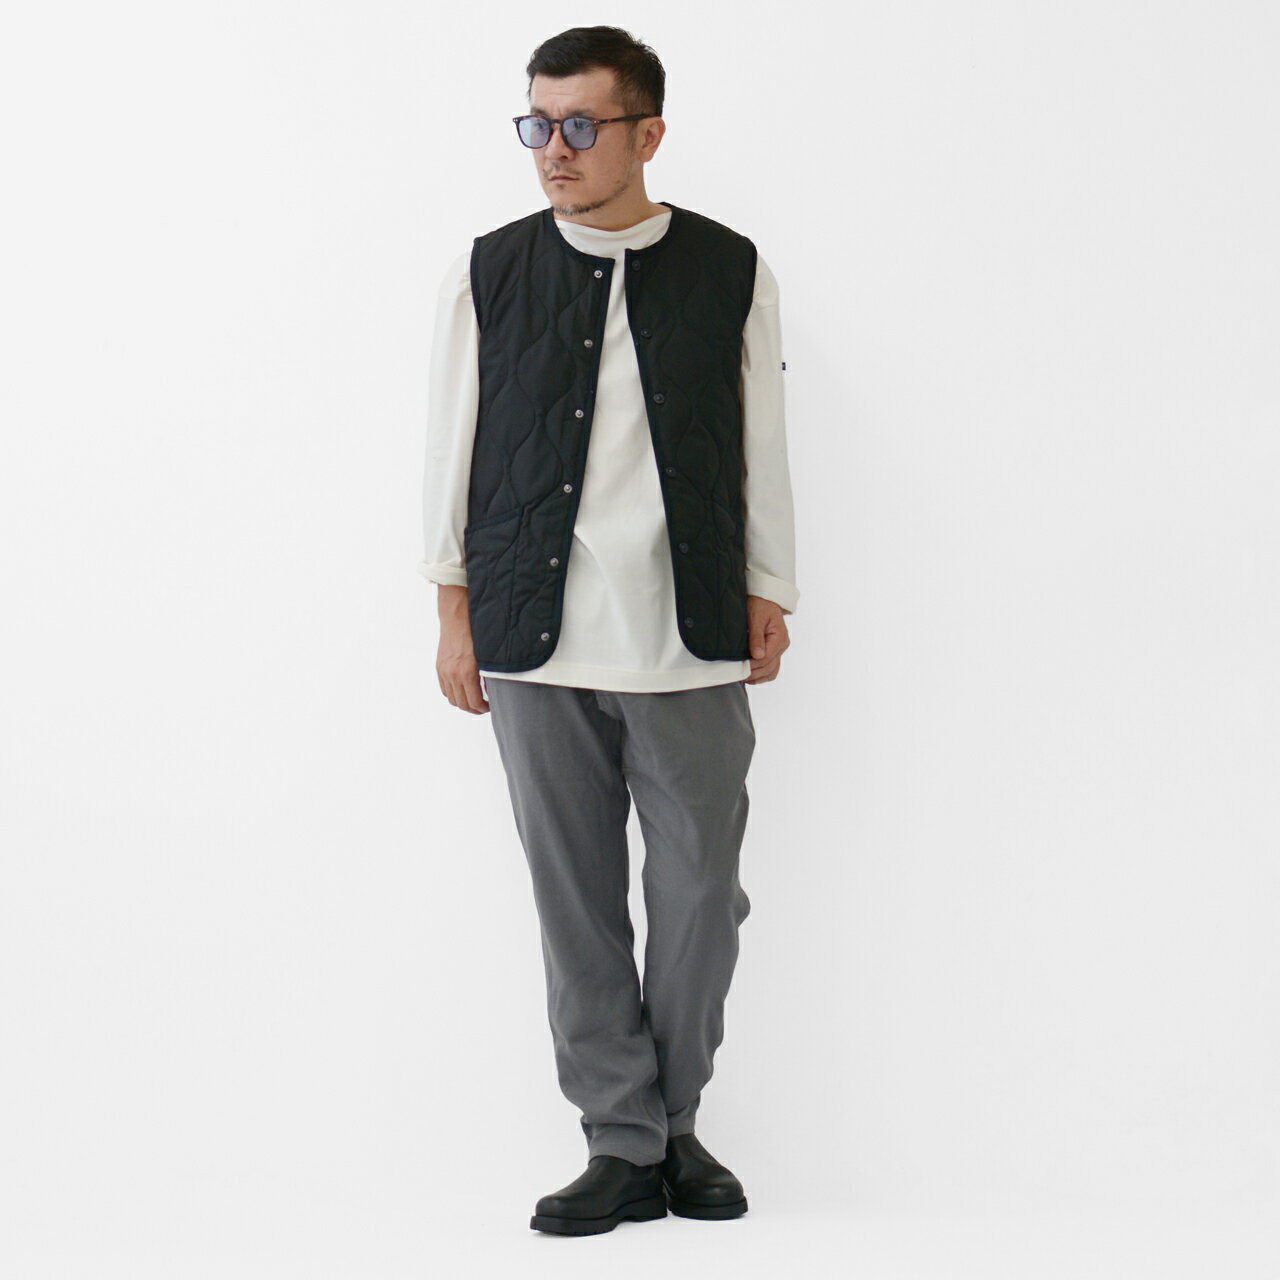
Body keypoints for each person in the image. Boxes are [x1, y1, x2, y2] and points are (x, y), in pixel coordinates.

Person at [418, 25, 799, 1235]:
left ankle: (670, 1119)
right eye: (537, 124)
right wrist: (451, 609)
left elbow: (760, 437)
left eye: (580, 125)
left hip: (687, 628)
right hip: (532, 631)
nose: (554, 149)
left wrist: (769, 585)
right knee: (572, 899)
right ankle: (622, 1139)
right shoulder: (488, 270)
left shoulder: (729, 267)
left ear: (647, 134)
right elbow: (450, 446)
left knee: (701, 894)